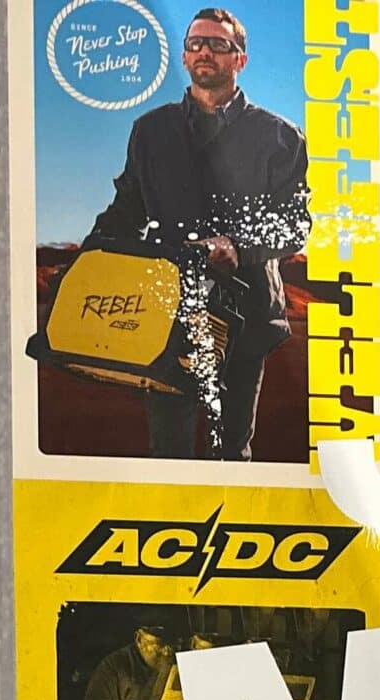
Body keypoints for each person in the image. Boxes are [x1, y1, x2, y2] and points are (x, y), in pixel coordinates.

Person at [82, 7, 307, 459]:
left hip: (247, 317)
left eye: (218, 44)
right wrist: (89, 262)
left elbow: (294, 224)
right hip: (166, 314)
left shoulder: (280, 137)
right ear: (184, 57)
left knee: (233, 453)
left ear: (239, 59)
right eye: (195, 44)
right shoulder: (150, 131)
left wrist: (237, 247)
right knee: (169, 453)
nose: (205, 51)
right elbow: (127, 211)